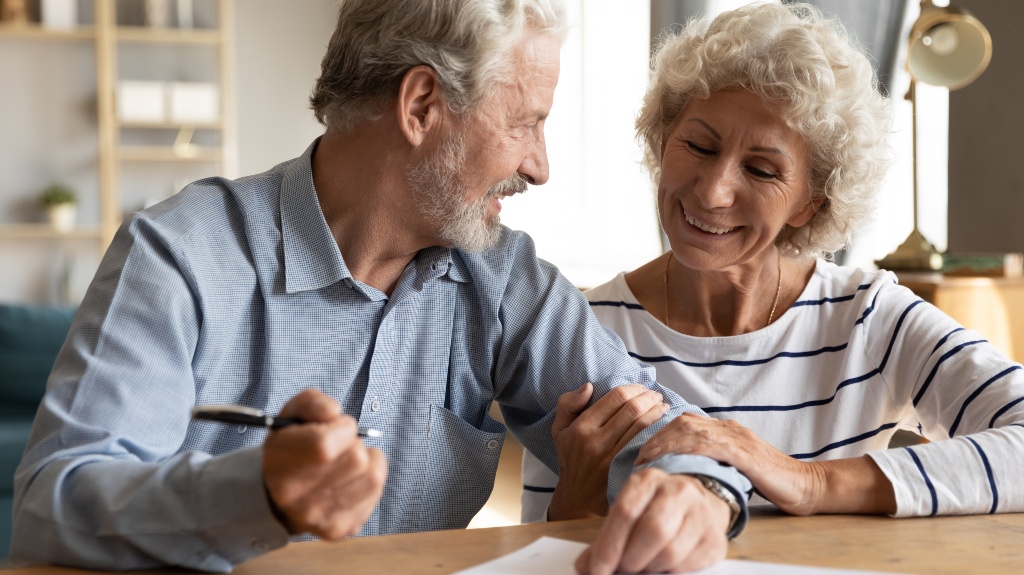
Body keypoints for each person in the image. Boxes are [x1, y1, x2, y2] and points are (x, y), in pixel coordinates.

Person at [11, 1, 753, 574]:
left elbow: (671, 428)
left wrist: (700, 491)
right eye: (526, 123)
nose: (540, 165)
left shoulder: (500, 275)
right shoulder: (180, 255)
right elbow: (53, 501)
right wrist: (255, 492)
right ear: (422, 105)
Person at [522, 1, 1024, 523]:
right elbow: (542, 555)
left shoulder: (869, 319)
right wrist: (578, 500)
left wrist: (809, 481)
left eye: (761, 171)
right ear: (663, 138)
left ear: (812, 201)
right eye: (697, 145)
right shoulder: (579, 329)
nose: (713, 192)